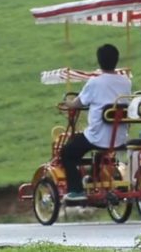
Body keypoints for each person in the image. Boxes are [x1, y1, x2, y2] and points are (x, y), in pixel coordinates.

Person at [57, 43, 131, 203]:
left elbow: (78, 103)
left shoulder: (95, 82)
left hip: (98, 136)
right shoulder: (126, 81)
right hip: (119, 136)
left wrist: (67, 102)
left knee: (67, 153)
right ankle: (93, 179)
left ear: (99, 62)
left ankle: (76, 190)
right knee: (94, 149)